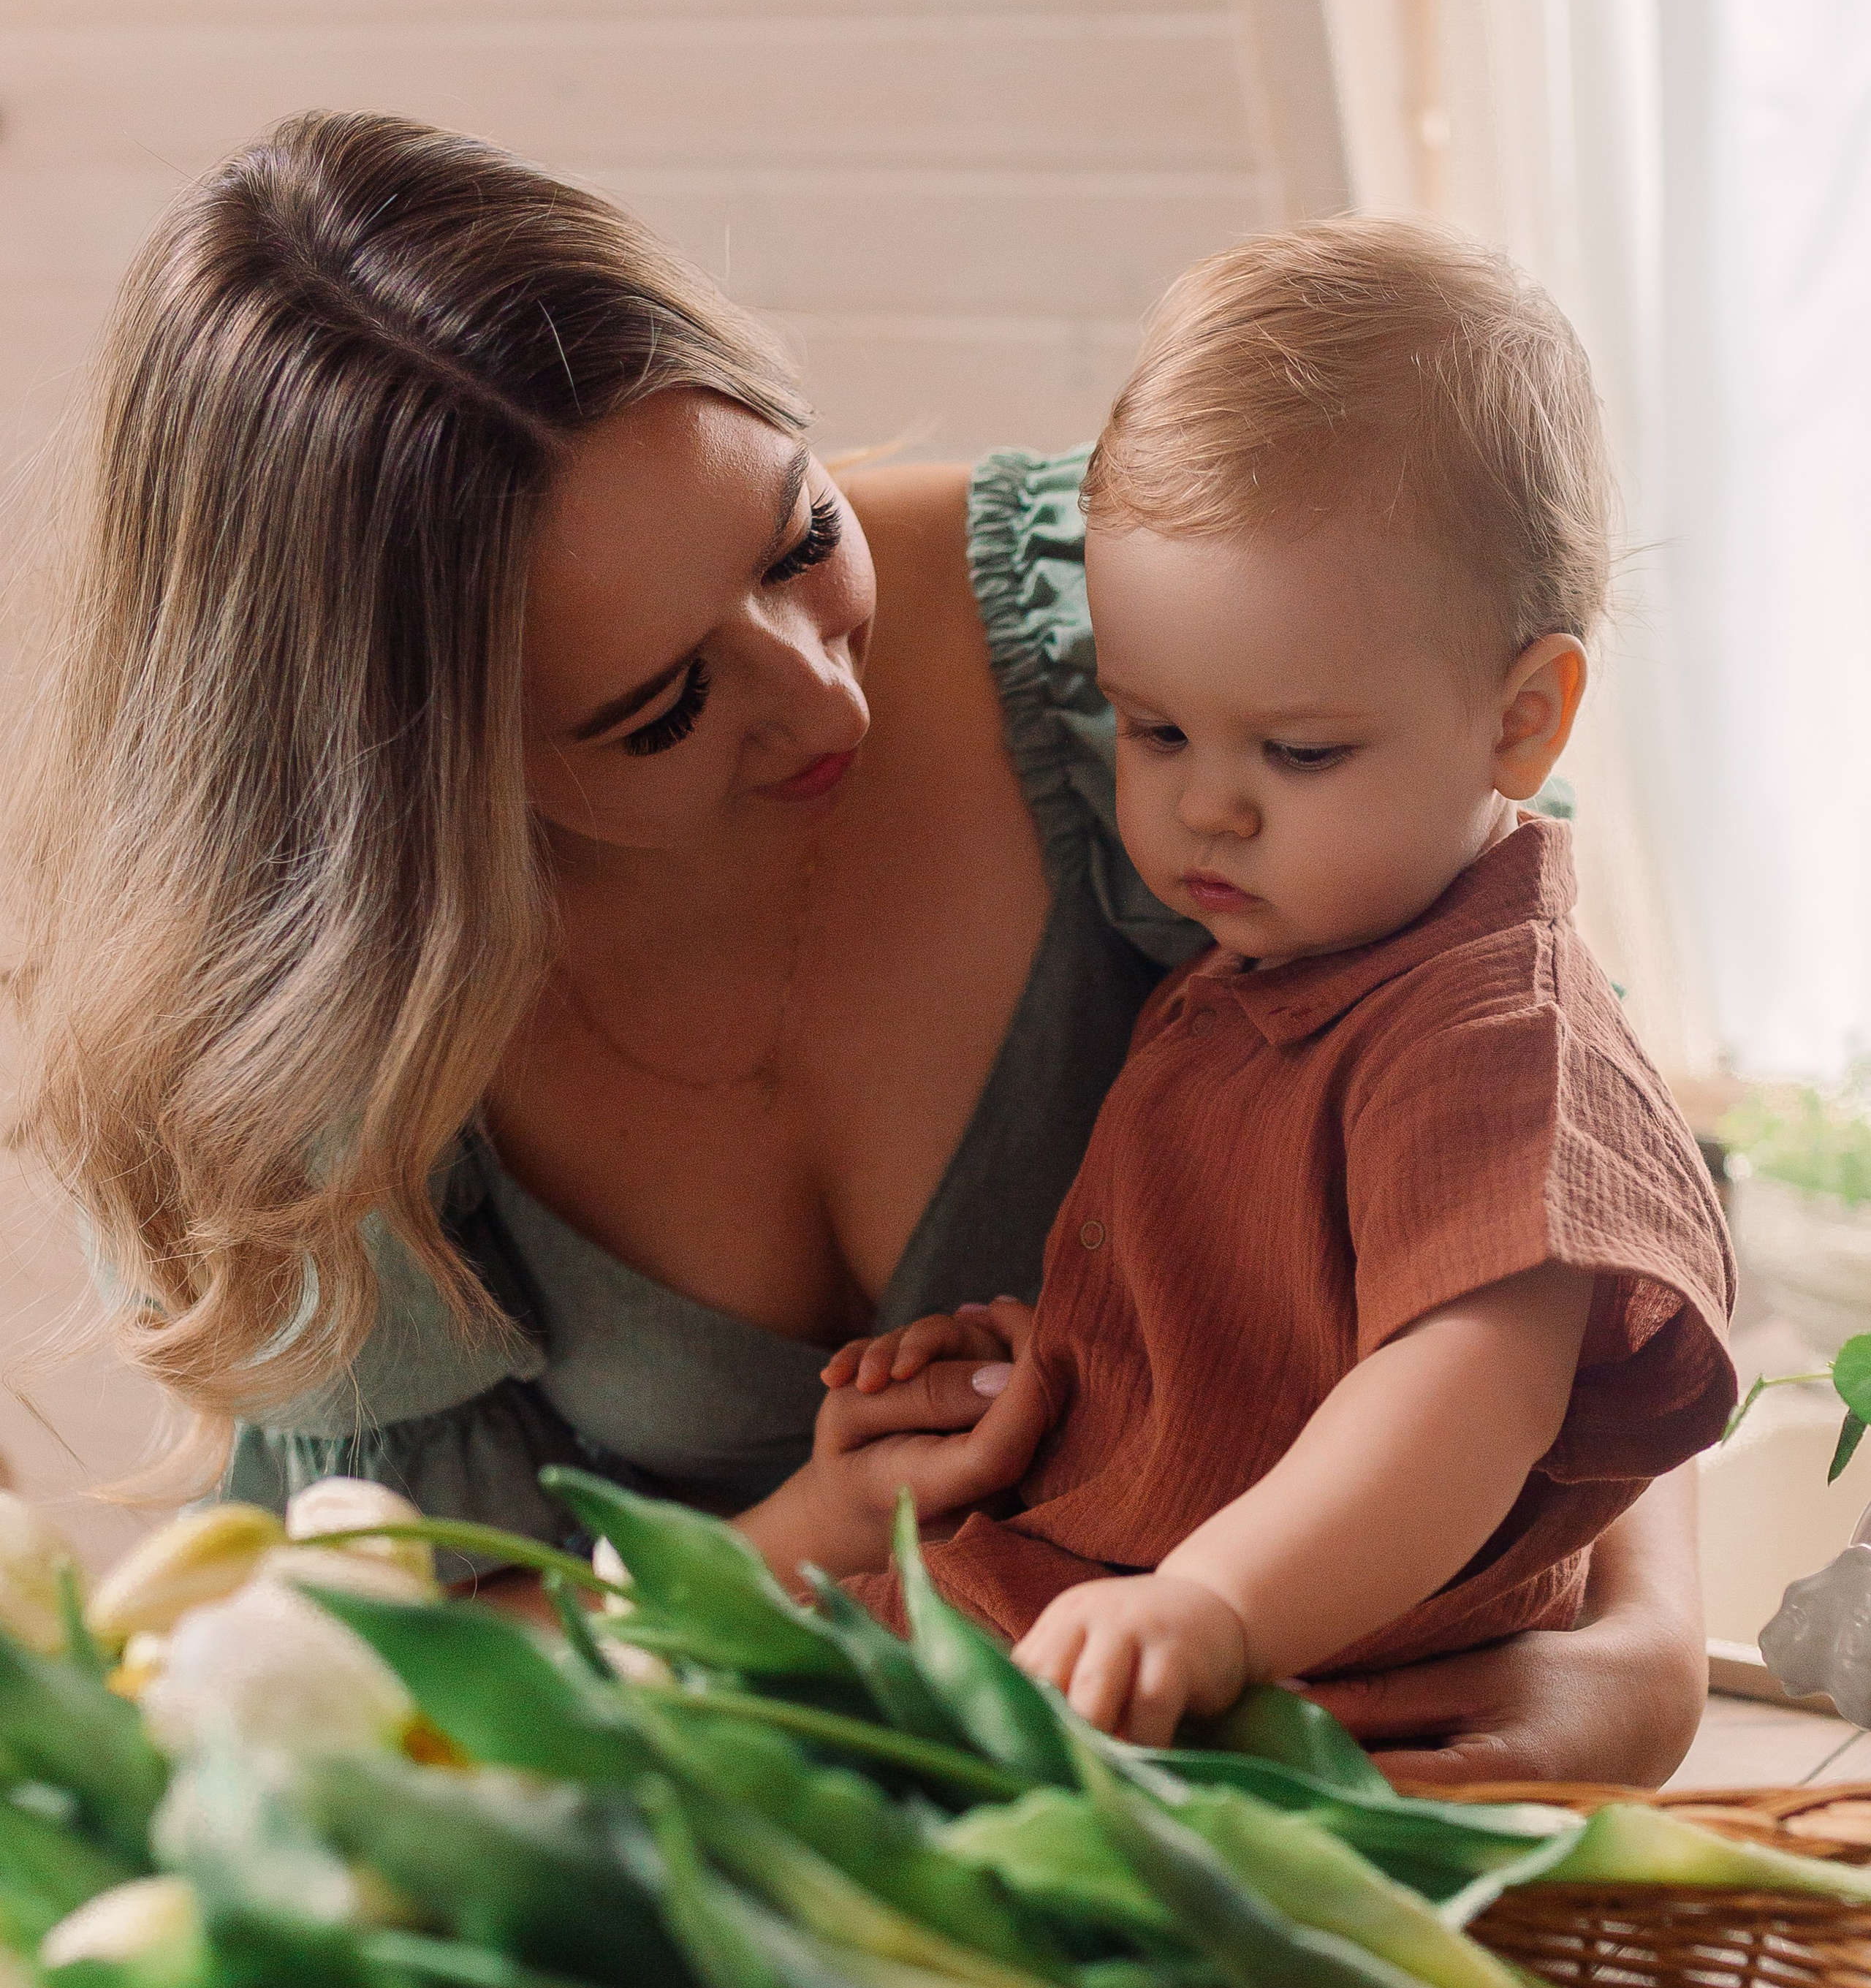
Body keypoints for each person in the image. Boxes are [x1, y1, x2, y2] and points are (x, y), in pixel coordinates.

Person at [12, 112, 1708, 1784]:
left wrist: (1639, 1656)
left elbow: (1534, 1162)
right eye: (658, 709)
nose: (826, 699)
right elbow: (407, 1689)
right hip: (766, 1801)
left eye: (798, 538)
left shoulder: (1148, 651)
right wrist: (816, 1526)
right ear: (420, 778)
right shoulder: (309, 1058)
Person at [737, 222, 1736, 1746]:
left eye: (1298, 751)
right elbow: (1262, 1335)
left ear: (1521, 722)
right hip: (1107, 1579)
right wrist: (1064, 1371)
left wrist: (1215, 1608)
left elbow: (1463, 1397)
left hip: (1327, 1672)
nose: (1207, 807)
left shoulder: (1485, 1029)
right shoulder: (1280, 959)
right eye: (1153, 730)